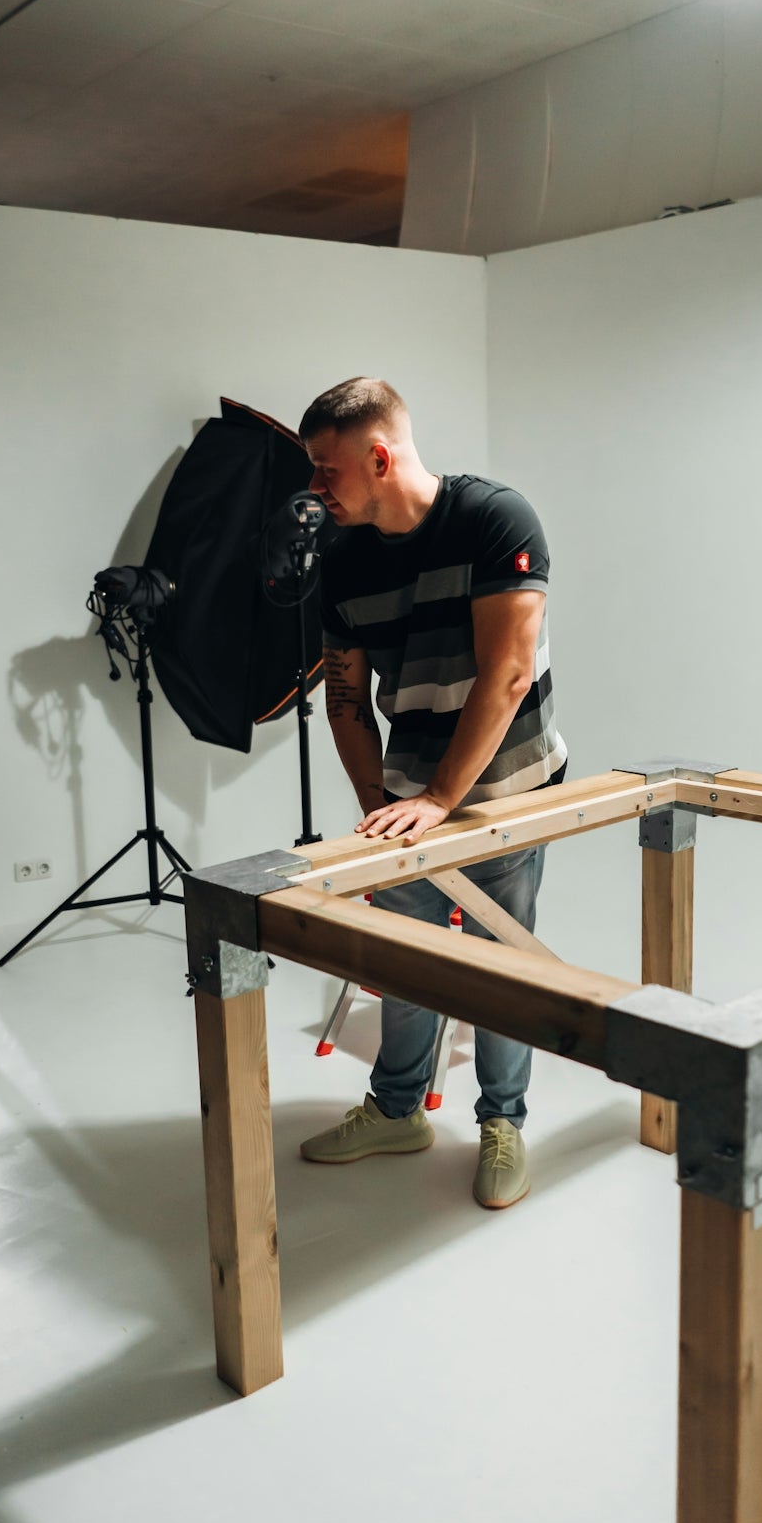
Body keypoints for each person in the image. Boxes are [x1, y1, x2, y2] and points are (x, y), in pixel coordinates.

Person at [296, 377, 566, 1210]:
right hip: (413, 793)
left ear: (379, 456)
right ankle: (399, 1109)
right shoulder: (340, 562)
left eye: (324, 468)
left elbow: (509, 673)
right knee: (405, 959)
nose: (314, 489)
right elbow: (343, 699)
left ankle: (503, 1120)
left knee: (497, 962)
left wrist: (444, 801)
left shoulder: (495, 519)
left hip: (508, 790)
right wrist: (381, 796)